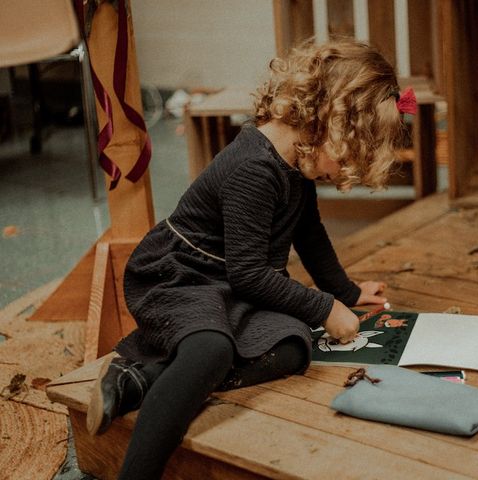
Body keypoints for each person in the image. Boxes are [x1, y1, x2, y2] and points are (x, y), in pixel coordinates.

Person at [86, 38, 415, 480]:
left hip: (230, 284)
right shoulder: (255, 170)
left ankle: (144, 379)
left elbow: (310, 235)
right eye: (347, 158)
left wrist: (347, 292)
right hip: (180, 276)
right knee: (212, 349)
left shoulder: (296, 166)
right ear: (330, 123)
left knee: (293, 346)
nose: (342, 174)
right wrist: (326, 307)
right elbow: (249, 273)